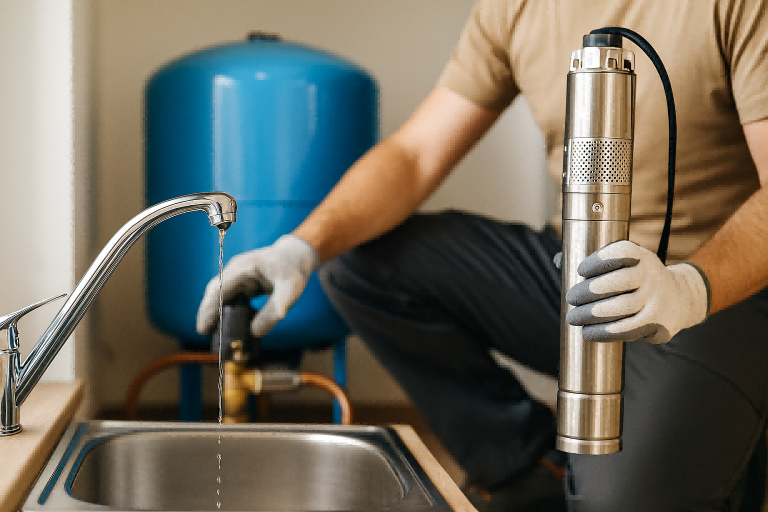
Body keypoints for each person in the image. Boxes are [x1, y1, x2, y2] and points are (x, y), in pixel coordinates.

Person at [196, 1, 768, 510]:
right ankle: (524, 470)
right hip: (579, 272)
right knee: (364, 263)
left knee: (619, 503)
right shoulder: (516, 7)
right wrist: (302, 245)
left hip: (715, 292)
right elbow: (416, 155)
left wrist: (690, 287)